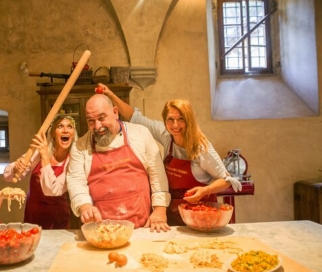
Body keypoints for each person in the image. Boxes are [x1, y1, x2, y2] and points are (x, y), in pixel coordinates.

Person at [99, 83, 242, 226]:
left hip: (201, 215)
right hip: (173, 214)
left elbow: (226, 180)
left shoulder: (201, 148)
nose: (175, 125)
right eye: (170, 119)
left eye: (181, 119)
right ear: (165, 120)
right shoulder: (166, 135)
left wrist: (205, 190)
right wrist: (110, 95)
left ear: (189, 120)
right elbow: (134, 117)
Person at [66, 94, 171, 233]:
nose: (98, 126)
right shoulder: (80, 146)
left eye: (102, 118)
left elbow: (157, 175)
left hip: (142, 227)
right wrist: (85, 207)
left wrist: (159, 210)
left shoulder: (140, 134)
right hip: (101, 230)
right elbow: (76, 182)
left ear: (115, 112)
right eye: (91, 121)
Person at [3, 115, 78, 229]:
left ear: (73, 134)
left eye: (70, 127)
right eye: (60, 126)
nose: (65, 130)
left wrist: (45, 158)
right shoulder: (38, 153)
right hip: (33, 214)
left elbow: (52, 190)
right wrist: (17, 167)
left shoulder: (73, 161)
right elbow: (9, 177)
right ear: (52, 133)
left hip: (57, 218)